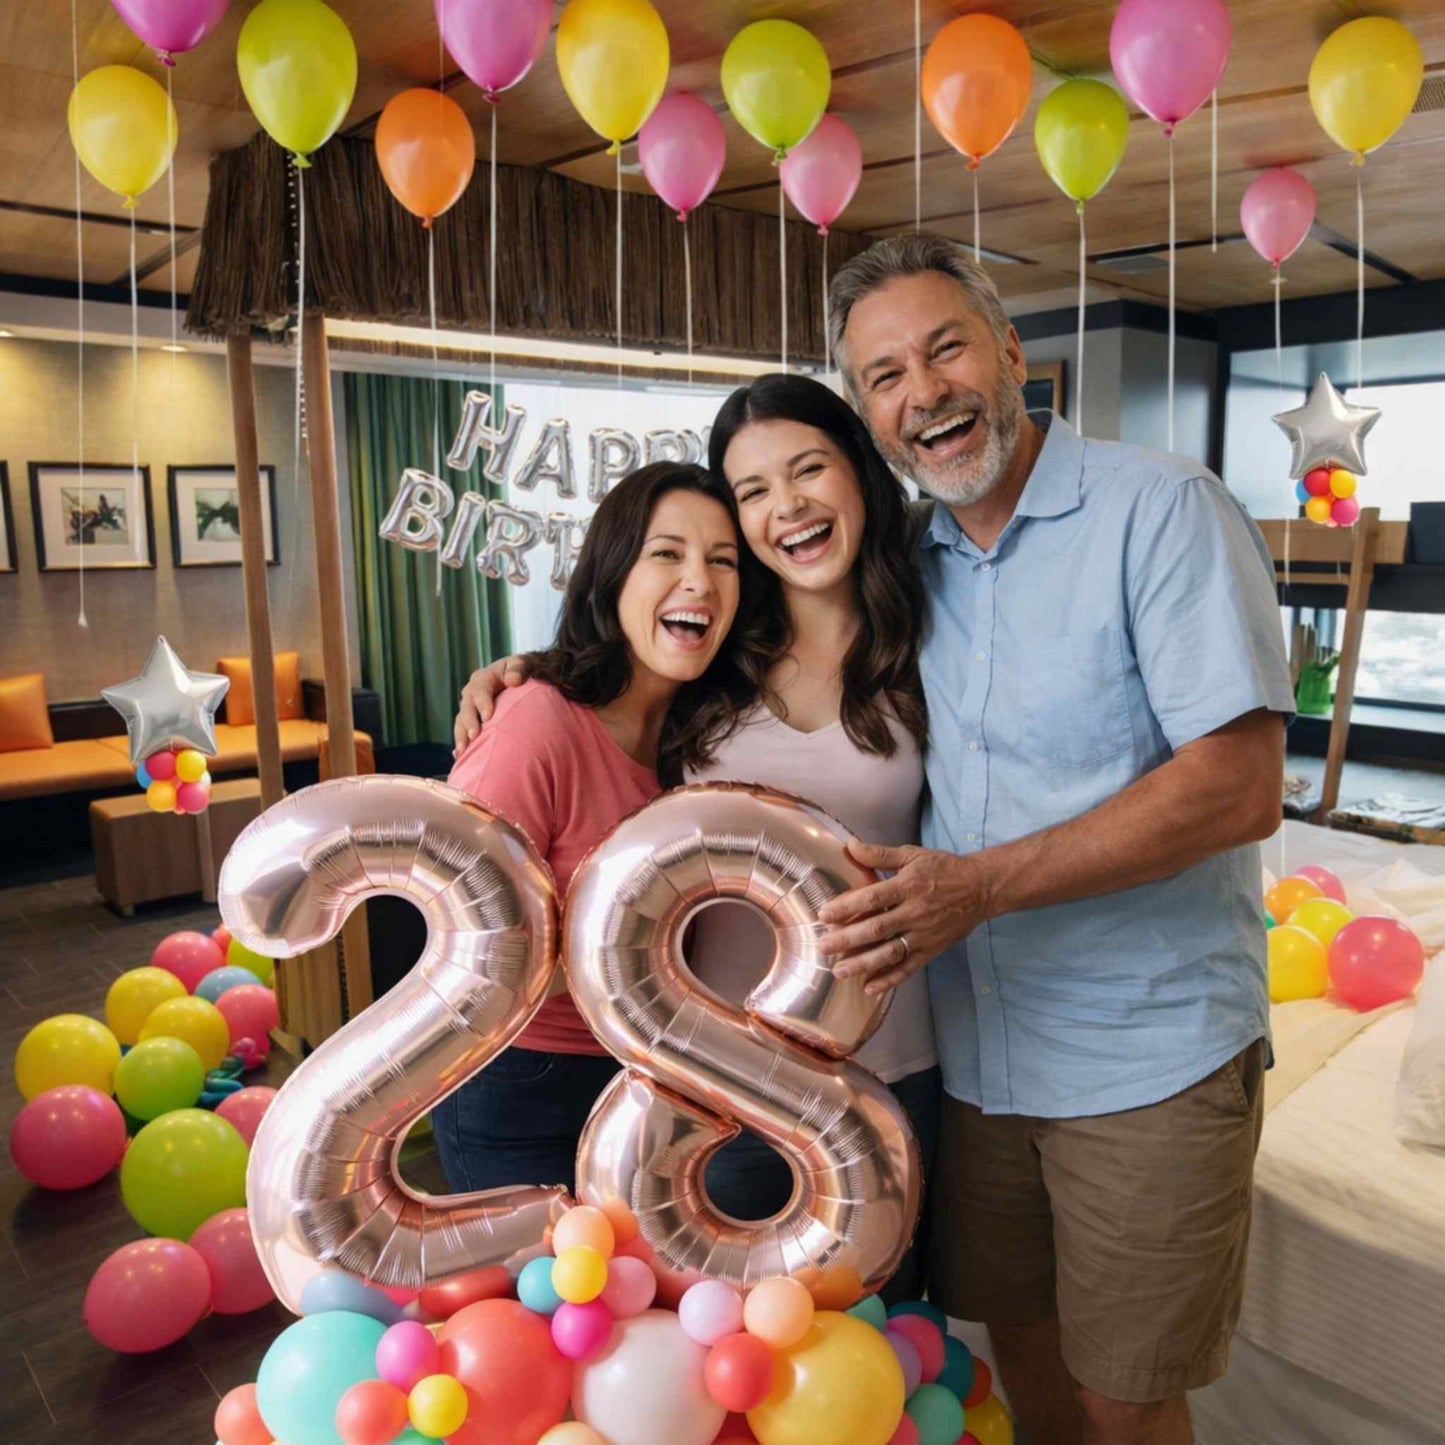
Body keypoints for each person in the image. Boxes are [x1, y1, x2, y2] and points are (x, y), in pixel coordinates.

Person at [811, 234, 1294, 1445]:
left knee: (1123, 1397)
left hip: (1147, 1056)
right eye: (881, 375)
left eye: (943, 348)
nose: (922, 392)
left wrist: (975, 888)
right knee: (1019, 1350)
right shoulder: (902, 565)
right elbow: (718, 614)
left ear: (1010, 351)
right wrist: (543, 674)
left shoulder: (1160, 509)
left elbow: (1238, 785)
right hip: (980, 1056)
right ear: (869, 415)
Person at [454, 375, 941, 1298]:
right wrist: (525, 678)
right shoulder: (716, 677)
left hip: (888, 1060)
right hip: (705, 1079)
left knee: (871, 1350)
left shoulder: (923, 637)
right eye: (752, 490)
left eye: (807, 470)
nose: (782, 506)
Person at [433, 460, 746, 1196]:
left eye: (722, 560)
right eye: (666, 553)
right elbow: (452, 921)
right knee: (536, 1307)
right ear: (611, 575)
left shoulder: (710, 727)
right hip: (521, 1082)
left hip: (650, 1078)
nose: (699, 580)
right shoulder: (535, 721)